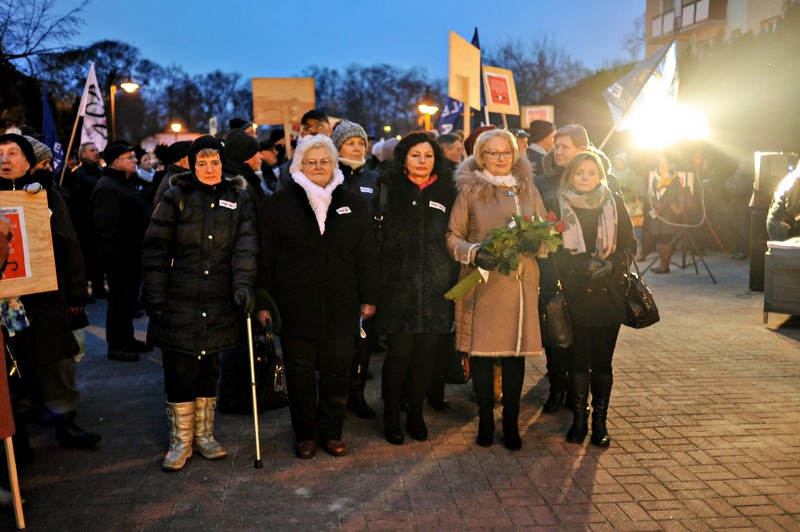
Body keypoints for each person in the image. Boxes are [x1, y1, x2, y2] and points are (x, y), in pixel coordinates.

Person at [256, 135, 378, 459]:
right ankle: (306, 434)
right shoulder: (279, 205)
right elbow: (265, 258)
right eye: (312, 162)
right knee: (299, 374)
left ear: (334, 165)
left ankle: (332, 433)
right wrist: (264, 303)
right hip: (295, 306)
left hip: (341, 303)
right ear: (300, 166)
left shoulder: (352, 201)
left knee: (338, 373)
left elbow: (367, 255)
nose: (319, 167)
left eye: (325, 161)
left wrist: (369, 298)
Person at [142, 135, 257, 471]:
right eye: (202, 163)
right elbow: (155, 251)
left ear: (223, 165)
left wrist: (243, 286)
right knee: (180, 370)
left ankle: (204, 435)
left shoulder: (239, 196)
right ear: (191, 165)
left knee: (209, 368)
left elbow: (245, 248)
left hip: (218, 297)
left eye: (215, 163)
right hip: (179, 297)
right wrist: (156, 298)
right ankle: (180, 440)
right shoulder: (175, 196)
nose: (209, 169)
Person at [446, 129, 547, 450]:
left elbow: (544, 228)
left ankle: (512, 422)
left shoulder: (527, 189)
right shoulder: (470, 191)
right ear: (481, 156)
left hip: (521, 283)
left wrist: (538, 241)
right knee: (484, 355)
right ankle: (487, 419)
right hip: (485, 282)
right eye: (493, 153)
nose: (501, 158)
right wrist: (476, 252)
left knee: (515, 355)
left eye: (507, 152)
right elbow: (452, 237)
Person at [0, 133, 100, 456]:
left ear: (28, 162)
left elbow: (70, 248)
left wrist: (74, 298)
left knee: (57, 363)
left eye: (12, 153)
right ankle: (18, 440)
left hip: (47, 297)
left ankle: (65, 422)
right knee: (14, 370)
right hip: (8, 301)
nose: (5, 160)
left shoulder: (48, 196)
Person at [373, 132, 458, 445]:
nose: (423, 162)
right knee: (398, 356)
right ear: (403, 158)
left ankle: (416, 412)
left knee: (426, 356)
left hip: (436, 287)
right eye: (415, 155)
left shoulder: (448, 189)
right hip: (397, 288)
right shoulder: (387, 187)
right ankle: (392, 413)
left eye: (429, 156)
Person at [552, 151, 636, 447]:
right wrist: (580, 264)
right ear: (570, 176)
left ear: (601, 175)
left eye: (591, 172)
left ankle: (599, 423)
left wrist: (611, 264)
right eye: (579, 173)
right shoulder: (558, 205)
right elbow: (551, 251)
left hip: (608, 293)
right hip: (575, 294)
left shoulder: (615, 203)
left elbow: (630, 246)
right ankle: (579, 420)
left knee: (602, 361)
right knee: (577, 360)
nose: (585, 178)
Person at [330, 120, 380, 420]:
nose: (358, 147)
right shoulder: (331, 176)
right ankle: (335, 396)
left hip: (368, 264)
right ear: (338, 147)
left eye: (361, 143)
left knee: (364, 337)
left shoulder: (375, 178)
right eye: (351, 143)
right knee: (338, 340)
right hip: (338, 268)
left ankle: (357, 394)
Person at [92, 141, 153, 361]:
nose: (135, 160)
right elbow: (106, 228)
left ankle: (127, 339)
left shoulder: (124, 182)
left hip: (132, 253)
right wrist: (115, 259)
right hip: (120, 257)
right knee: (118, 301)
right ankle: (116, 345)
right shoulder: (107, 186)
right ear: (118, 162)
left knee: (128, 300)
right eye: (131, 157)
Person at [63, 142, 105, 299]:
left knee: (98, 257)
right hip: (84, 223)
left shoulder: (101, 171)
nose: (96, 153)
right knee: (84, 257)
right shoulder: (77, 174)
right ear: (83, 154)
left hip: (98, 221)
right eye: (92, 150)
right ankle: (83, 292)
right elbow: (75, 199)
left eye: (96, 150)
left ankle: (98, 287)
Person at [647, 154, 685, 273]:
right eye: (660, 162)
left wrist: (662, 205)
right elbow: (651, 193)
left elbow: (672, 195)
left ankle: (665, 265)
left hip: (668, 211)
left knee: (666, 237)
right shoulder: (655, 178)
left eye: (664, 163)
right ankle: (661, 264)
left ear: (669, 165)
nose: (661, 165)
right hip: (657, 211)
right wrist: (654, 204)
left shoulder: (673, 178)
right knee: (659, 238)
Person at [766, 166, 800, 241]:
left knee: (781, 252)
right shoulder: (795, 183)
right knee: (782, 252)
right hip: (779, 222)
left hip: (777, 220)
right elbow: (791, 208)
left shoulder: (791, 178)